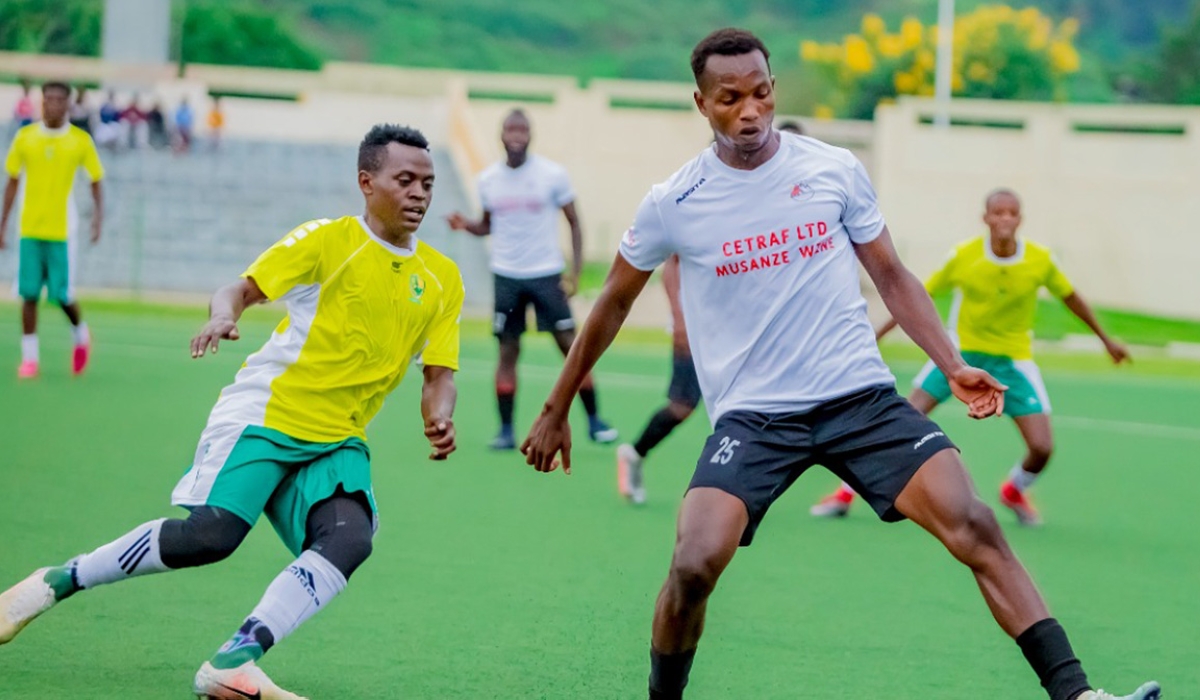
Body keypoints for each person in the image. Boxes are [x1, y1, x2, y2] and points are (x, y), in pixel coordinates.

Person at [520, 29, 1158, 700]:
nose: (751, 112)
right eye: (730, 99)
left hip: (860, 400)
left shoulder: (832, 168)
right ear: (701, 104)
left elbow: (892, 274)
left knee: (973, 523)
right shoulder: (673, 202)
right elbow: (613, 305)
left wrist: (952, 361)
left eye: (762, 93)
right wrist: (557, 407)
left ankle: (1078, 694)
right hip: (755, 417)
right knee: (693, 564)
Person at [0, 124, 464, 699]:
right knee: (211, 536)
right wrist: (224, 315)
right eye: (405, 180)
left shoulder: (442, 279)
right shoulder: (327, 241)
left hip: (338, 437)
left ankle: (233, 662)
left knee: (350, 538)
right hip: (267, 416)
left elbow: (439, 374)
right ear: (367, 183)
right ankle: (57, 581)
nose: (420, 193)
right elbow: (239, 289)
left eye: (428, 182)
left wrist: (438, 415)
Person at [811, 188, 1130, 525]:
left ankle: (1014, 489)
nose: (1005, 219)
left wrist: (1106, 340)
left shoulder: (1040, 260)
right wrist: (874, 336)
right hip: (958, 357)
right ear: (986, 218)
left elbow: (1071, 298)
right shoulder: (964, 256)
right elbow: (917, 294)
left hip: (1012, 361)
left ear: (1020, 218)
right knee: (900, 420)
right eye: (998, 213)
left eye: (1012, 213)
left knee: (1042, 447)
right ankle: (846, 493)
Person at [447, 108, 617, 450]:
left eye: (522, 129)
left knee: (571, 347)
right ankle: (506, 430)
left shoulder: (552, 175)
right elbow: (488, 225)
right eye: (510, 129)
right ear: (501, 135)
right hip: (507, 276)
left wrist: (575, 272)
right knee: (507, 351)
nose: (516, 135)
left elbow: (575, 222)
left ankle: (596, 421)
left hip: (546, 275)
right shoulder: (488, 180)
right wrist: (466, 225)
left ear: (530, 135)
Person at [1, 80, 104, 379]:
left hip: (63, 231)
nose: (53, 105)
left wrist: (97, 219)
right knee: (28, 293)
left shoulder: (79, 141)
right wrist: (3, 223)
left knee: (61, 294)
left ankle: (80, 335)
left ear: (68, 105)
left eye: (60, 100)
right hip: (29, 228)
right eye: (48, 99)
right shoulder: (25, 138)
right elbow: (12, 181)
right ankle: (29, 359)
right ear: (41, 102)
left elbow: (96, 180)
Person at [615, 255, 700, 504]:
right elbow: (672, 264)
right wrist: (680, 320)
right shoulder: (692, 216)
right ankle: (634, 453)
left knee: (742, 410)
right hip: (695, 327)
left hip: (735, 330)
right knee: (681, 407)